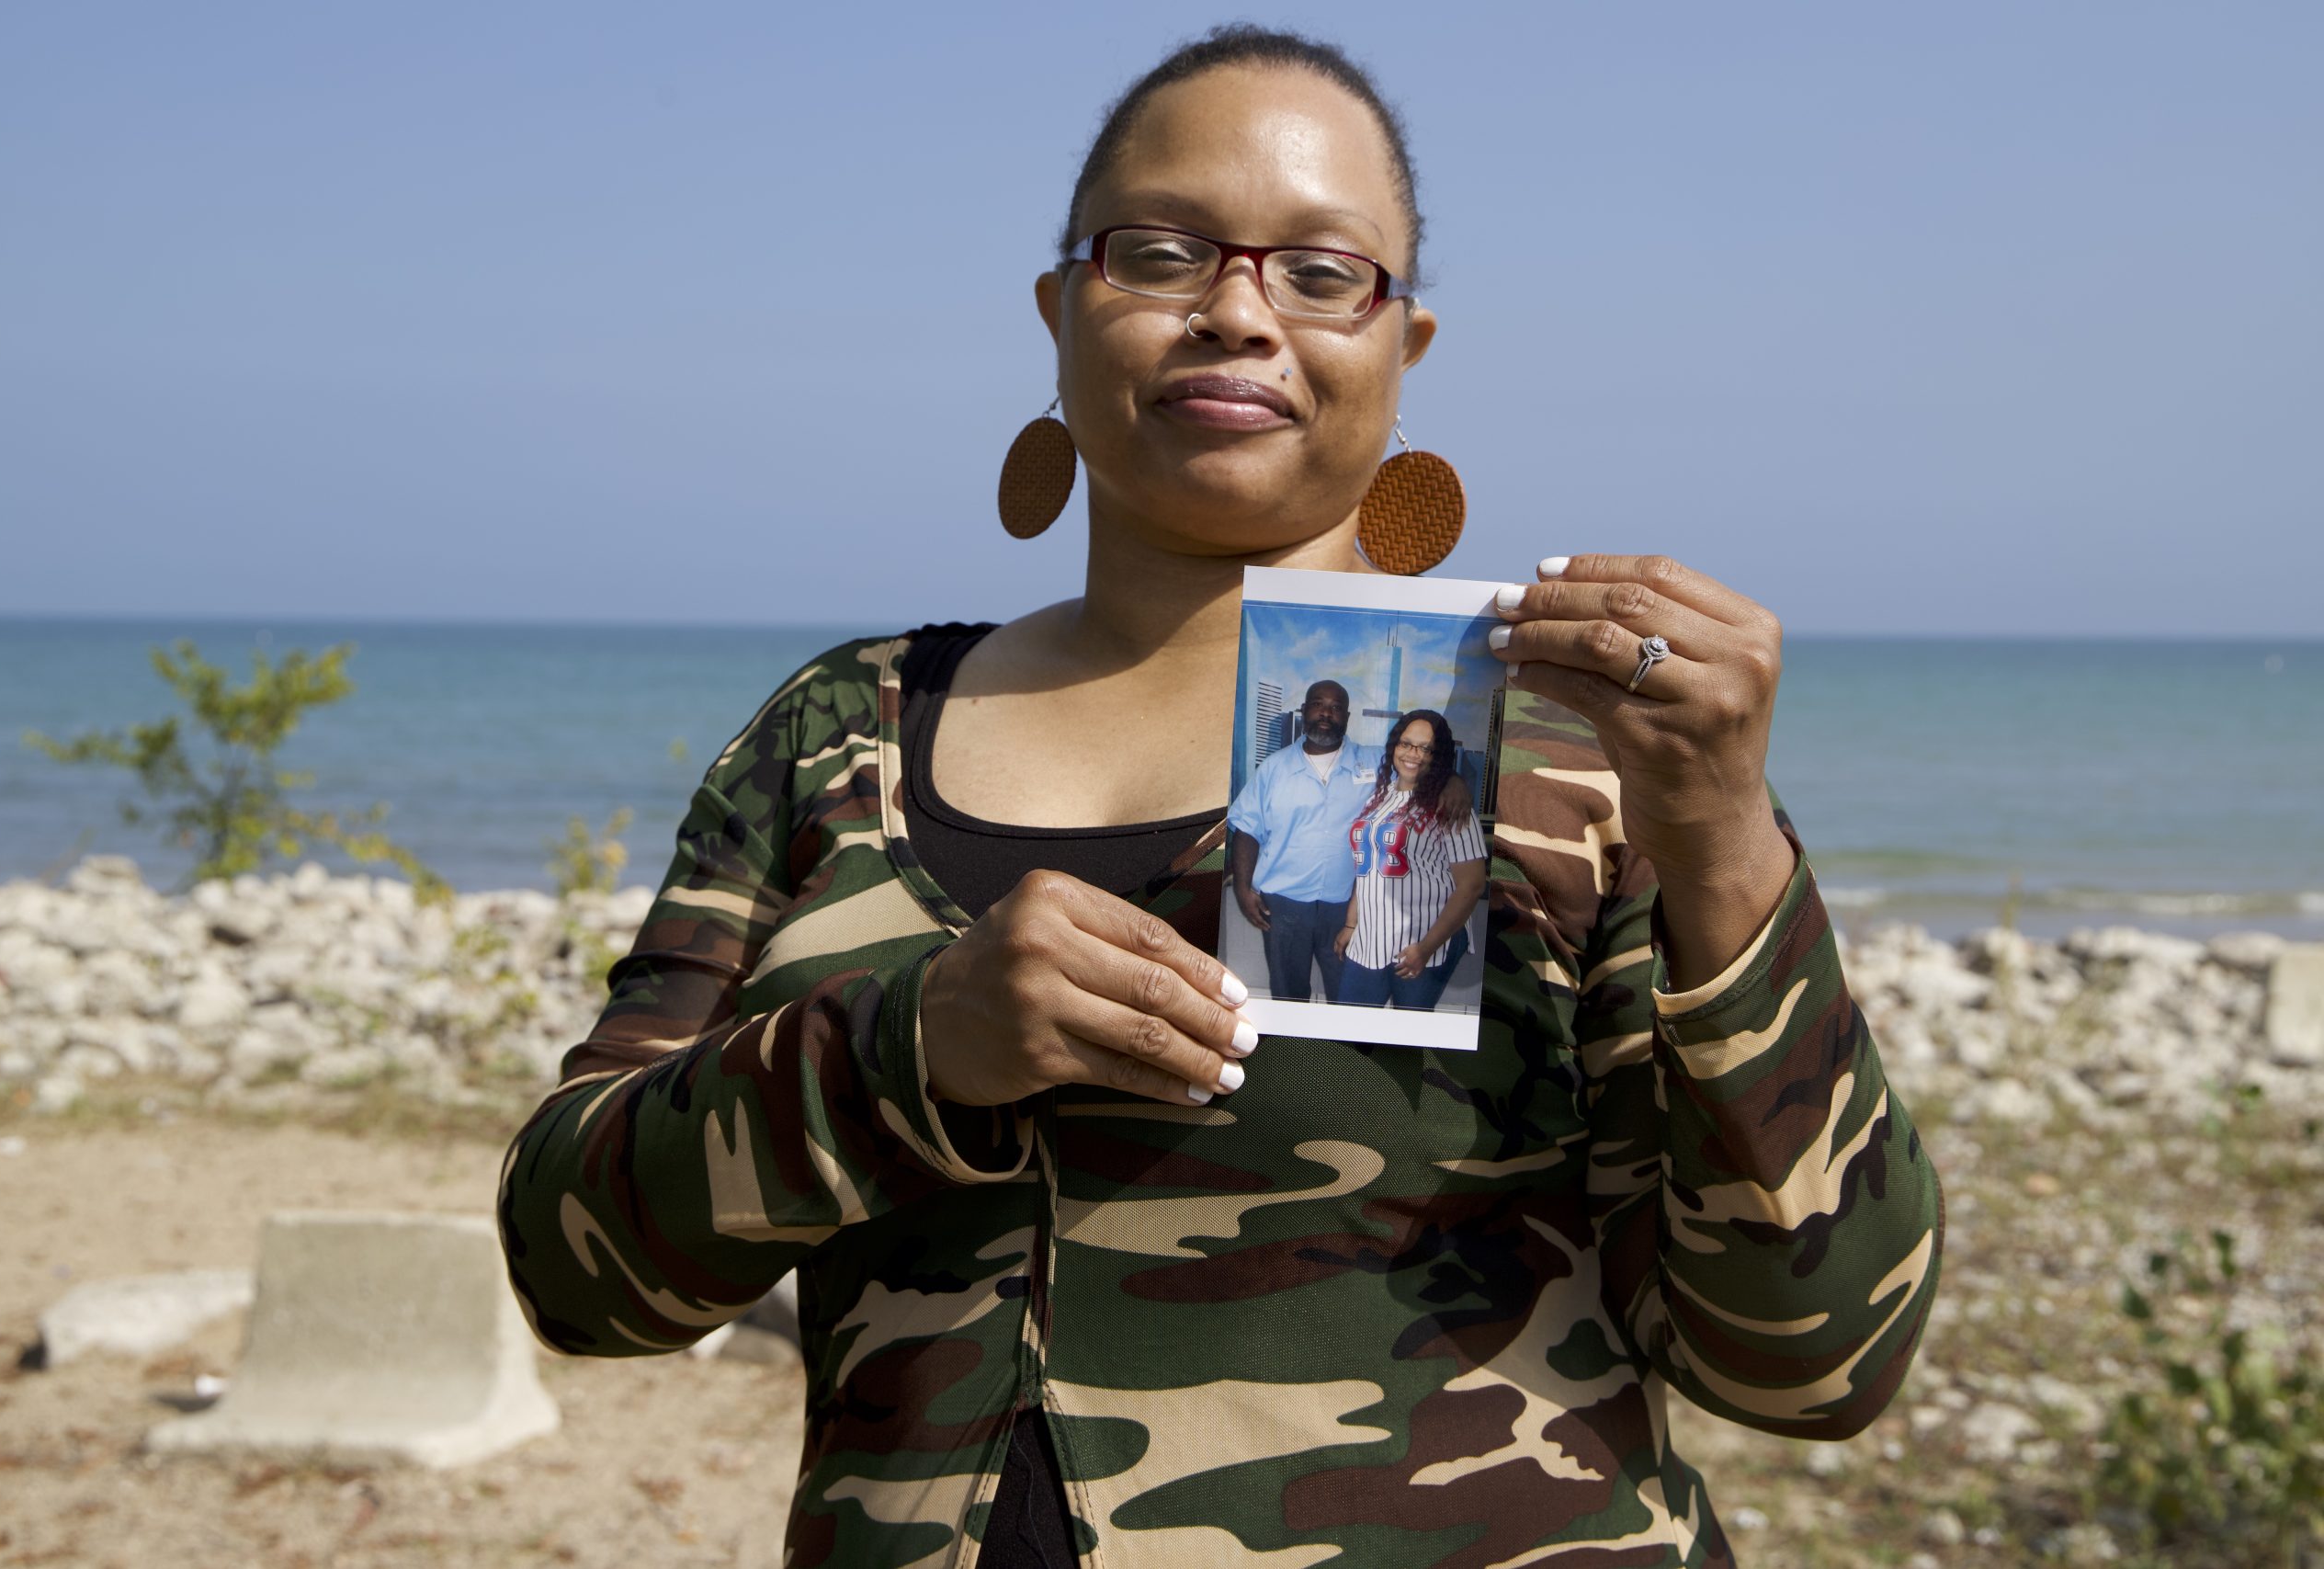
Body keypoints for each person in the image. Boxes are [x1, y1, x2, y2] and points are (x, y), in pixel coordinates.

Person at [496, 25, 1943, 1568]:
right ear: (1061, 315)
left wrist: (1723, 841)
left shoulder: (1564, 750)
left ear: (1407, 350)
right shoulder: (842, 732)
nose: (1238, 314)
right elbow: (573, 1269)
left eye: (1325, 273)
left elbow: (1813, 1361)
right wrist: (912, 1048)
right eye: (1163, 254)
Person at [1226, 678, 1376, 1002]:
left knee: (1348, 989)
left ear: (1347, 717)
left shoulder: (1374, 764)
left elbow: (1423, 770)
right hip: (1284, 903)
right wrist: (1242, 887)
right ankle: (1290, 1046)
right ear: (1304, 710)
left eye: (1336, 708)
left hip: (1349, 904)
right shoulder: (1274, 768)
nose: (1326, 713)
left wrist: (1453, 786)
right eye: (1318, 704)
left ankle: (1350, 1050)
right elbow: (1247, 829)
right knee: (1288, 990)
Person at [1332, 709, 1487, 1010]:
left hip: (1423, 941)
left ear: (1437, 755)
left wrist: (1426, 948)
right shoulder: (1379, 798)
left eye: (1425, 747)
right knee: (1349, 1031)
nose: (1413, 753)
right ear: (1394, 746)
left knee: (1404, 1041)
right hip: (1370, 938)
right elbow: (1367, 866)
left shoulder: (1451, 806)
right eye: (1406, 744)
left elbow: (1472, 886)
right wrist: (1351, 924)